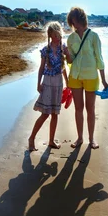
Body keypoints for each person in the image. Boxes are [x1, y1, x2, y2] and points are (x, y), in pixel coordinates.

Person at [64, 7, 108, 149]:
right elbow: (70, 61)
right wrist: (66, 53)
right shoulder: (71, 38)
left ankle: (91, 139)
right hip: (75, 76)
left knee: (90, 109)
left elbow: (99, 59)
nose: (74, 25)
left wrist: (103, 79)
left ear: (81, 19)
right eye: (72, 22)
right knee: (78, 108)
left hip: (91, 76)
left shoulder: (94, 36)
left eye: (75, 21)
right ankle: (79, 138)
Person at [28, 22, 69, 152]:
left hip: (58, 83)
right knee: (45, 114)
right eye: (55, 36)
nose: (58, 38)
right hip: (47, 82)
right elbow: (41, 69)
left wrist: (67, 83)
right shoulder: (46, 50)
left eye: (59, 35)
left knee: (55, 113)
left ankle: (51, 140)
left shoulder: (63, 47)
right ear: (50, 35)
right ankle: (31, 138)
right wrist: (38, 83)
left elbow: (63, 67)